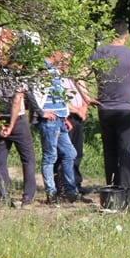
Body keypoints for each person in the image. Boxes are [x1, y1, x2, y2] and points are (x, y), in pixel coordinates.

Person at [88, 20, 130, 188]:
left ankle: (111, 189)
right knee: (126, 151)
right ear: (127, 35)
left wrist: (87, 97)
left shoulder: (98, 53)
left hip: (105, 109)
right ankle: (125, 189)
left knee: (109, 150)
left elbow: (78, 76)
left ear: (110, 34)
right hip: (126, 110)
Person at [0, 30, 39, 208]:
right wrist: (11, 124)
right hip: (18, 119)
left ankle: (3, 198)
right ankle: (27, 199)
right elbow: (17, 100)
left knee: (0, 160)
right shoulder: (19, 76)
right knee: (28, 159)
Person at [33, 51, 87, 204]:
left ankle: (70, 190)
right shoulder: (43, 70)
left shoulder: (56, 72)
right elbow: (33, 92)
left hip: (60, 119)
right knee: (50, 156)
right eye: (64, 60)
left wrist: (65, 116)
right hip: (50, 120)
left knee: (70, 153)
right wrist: (41, 112)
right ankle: (51, 193)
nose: (66, 64)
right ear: (56, 54)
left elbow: (59, 97)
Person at [53, 52, 91, 194]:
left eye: (68, 60)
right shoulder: (55, 78)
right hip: (66, 116)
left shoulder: (75, 76)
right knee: (64, 152)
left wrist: (84, 108)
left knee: (77, 152)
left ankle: (76, 182)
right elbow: (60, 99)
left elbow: (85, 94)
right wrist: (76, 110)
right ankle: (61, 184)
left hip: (78, 117)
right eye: (63, 60)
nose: (66, 64)